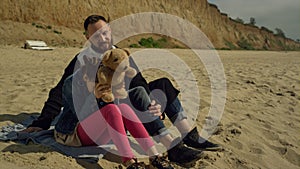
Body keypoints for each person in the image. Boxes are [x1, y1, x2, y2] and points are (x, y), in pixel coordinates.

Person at [23, 15, 220, 166]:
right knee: (132, 96)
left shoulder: (120, 53)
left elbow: (139, 81)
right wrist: (43, 121)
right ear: (87, 37)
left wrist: (154, 104)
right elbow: (59, 92)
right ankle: (171, 145)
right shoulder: (83, 59)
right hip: (110, 106)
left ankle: (189, 135)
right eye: (96, 35)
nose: (103, 38)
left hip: (129, 100)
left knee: (163, 84)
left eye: (105, 32)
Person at [53, 56, 173, 169]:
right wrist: (93, 97)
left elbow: (116, 113)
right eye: (96, 83)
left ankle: (154, 156)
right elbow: (79, 116)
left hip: (97, 135)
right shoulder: (72, 84)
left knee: (123, 107)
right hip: (72, 134)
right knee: (111, 109)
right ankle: (129, 161)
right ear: (85, 78)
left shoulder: (105, 78)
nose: (100, 85)